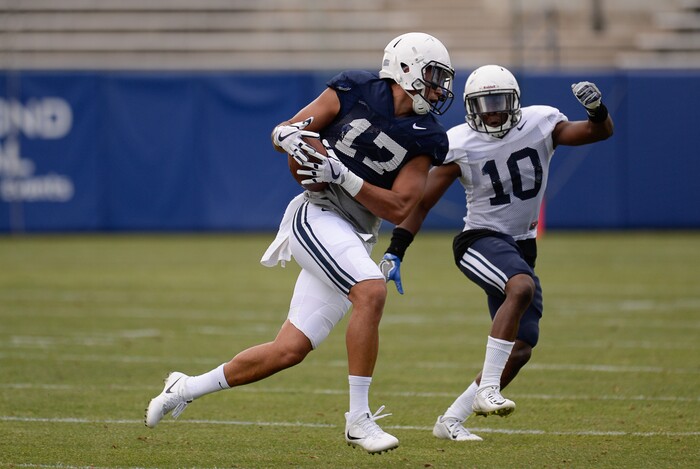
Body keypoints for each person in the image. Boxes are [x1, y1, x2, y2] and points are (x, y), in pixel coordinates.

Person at [144, 32, 456, 454]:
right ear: (405, 68)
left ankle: (185, 387)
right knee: (370, 290)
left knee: (288, 350)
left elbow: (400, 207)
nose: (439, 89)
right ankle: (358, 421)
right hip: (317, 212)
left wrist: (341, 173)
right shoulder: (355, 89)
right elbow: (289, 131)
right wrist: (289, 139)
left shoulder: (426, 135)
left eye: (443, 79)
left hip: (355, 231)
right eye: (433, 76)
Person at [379, 65, 614, 441]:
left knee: (520, 350)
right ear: (471, 107)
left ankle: (450, 421)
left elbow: (597, 132)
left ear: (515, 102)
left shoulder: (540, 123)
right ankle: (489, 389)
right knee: (519, 288)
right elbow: (421, 204)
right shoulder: (460, 143)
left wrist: (596, 109)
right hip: (478, 240)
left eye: (500, 102)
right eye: (484, 104)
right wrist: (396, 250)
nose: (492, 111)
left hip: (521, 244)